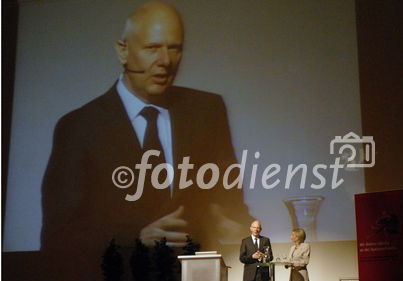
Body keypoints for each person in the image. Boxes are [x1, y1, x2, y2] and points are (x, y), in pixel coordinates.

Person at [41, 0, 253, 253]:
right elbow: (59, 235)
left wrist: (233, 226)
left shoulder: (208, 111)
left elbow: (231, 207)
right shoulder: (78, 128)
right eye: (152, 48)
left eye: (175, 48)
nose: (165, 60)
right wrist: (135, 239)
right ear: (123, 51)